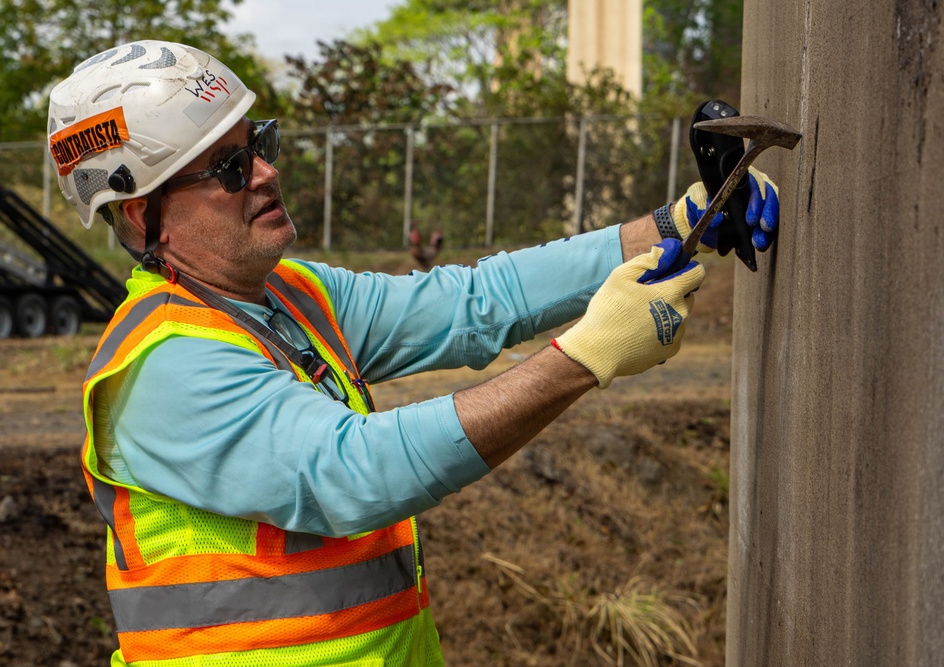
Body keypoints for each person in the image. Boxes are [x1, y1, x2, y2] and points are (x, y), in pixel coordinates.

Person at [49, 40, 779, 667]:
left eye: (258, 146)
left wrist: (671, 226)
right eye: (229, 170)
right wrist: (583, 357)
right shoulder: (163, 366)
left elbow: (471, 302)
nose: (267, 174)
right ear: (144, 215)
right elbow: (355, 472)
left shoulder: (287, 295)